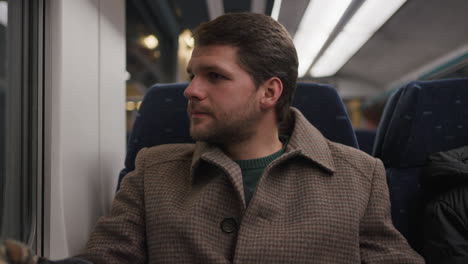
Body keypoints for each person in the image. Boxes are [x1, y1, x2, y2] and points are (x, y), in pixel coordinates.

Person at [1, 12, 424, 264]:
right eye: (192, 76)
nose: (190, 91)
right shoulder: (154, 170)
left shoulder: (358, 176)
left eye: (215, 77)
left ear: (269, 92)